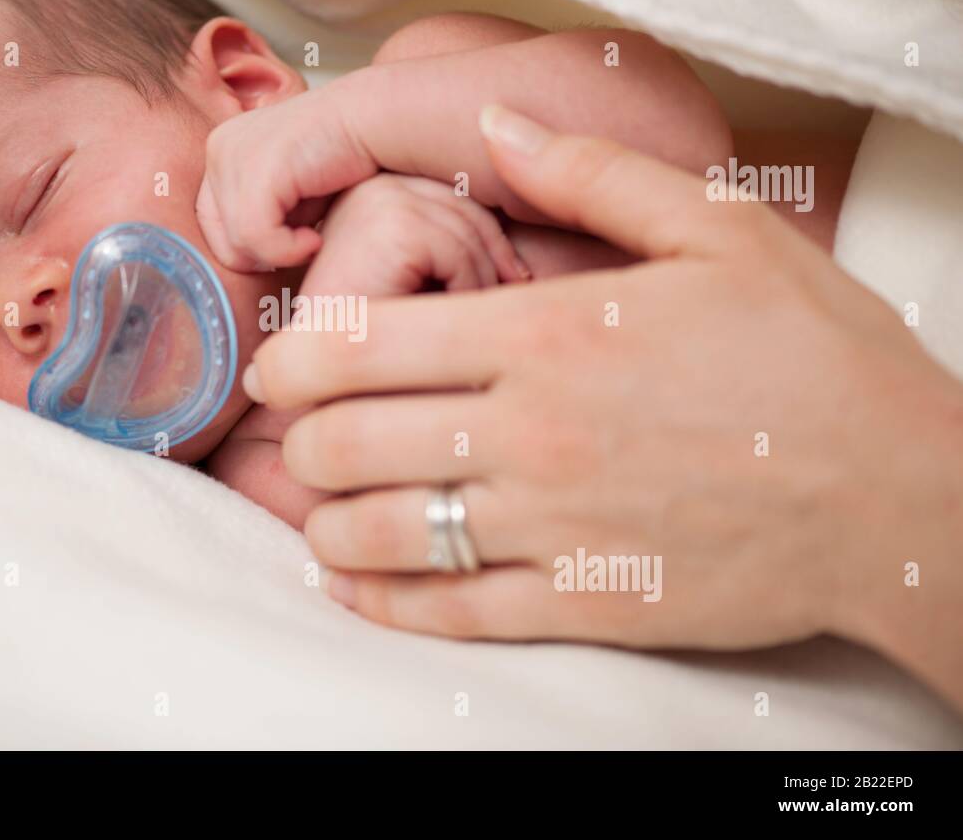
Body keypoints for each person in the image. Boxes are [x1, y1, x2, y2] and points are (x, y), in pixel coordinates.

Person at [241, 105, 963, 716]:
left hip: (914, 251)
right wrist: (328, 347)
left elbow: (677, 133)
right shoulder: (248, 455)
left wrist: (355, 125)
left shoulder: (411, 112)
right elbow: (371, 531)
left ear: (242, 86)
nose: (125, 338)